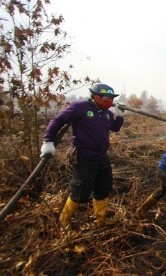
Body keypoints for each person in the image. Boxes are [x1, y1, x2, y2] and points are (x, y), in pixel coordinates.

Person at [40, 83, 125, 228]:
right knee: (80, 190)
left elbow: (115, 127)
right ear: (97, 97)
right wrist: (48, 141)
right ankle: (64, 221)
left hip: (102, 158)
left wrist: (120, 115)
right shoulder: (80, 107)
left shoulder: (106, 113)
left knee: (103, 189)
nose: (111, 102)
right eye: (108, 98)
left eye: (112, 99)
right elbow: (58, 120)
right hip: (84, 157)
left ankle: (100, 219)